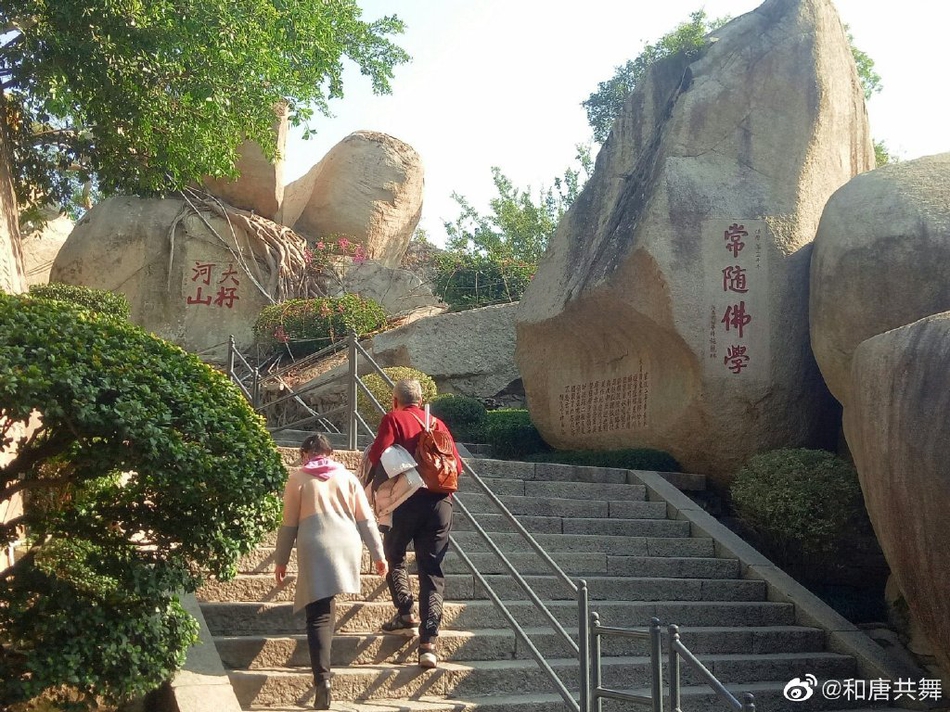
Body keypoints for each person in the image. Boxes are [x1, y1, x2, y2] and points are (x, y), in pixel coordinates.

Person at [275, 434, 388, 710]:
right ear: (332, 454)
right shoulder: (348, 478)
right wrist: (379, 555)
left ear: (304, 455)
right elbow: (366, 520)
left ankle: (322, 681)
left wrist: (280, 560)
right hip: (346, 544)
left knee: (317, 614)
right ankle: (324, 673)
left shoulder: (298, 479)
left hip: (315, 545)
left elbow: (288, 525)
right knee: (327, 605)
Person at [365, 378, 463, 669]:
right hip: (441, 502)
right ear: (421, 400)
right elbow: (457, 464)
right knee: (431, 570)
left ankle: (406, 611)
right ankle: (428, 644)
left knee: (393, 553)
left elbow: (377, 454)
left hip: (406, 499)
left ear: (395, 400)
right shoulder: (438, 424)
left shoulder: (393, 418)